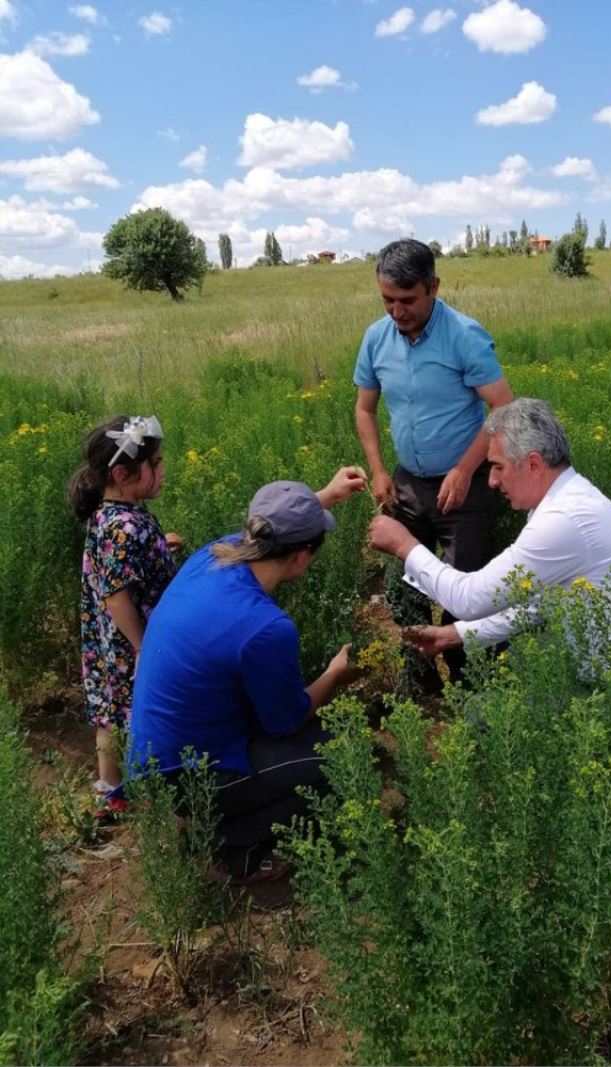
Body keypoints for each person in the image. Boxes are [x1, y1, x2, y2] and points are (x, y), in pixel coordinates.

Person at [127, 469, 366, 884]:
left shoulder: (212, 556)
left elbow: (275, 527)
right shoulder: (266, 628)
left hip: (152, 760)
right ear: (301, 557)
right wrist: (333, 674)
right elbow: (286, 721)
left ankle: (213, 818)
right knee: (338, 751)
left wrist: (325, 496)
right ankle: (230, 849)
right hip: (191, 777)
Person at [369, 398, 611, 657]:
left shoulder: (561, 519)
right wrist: (455, 635)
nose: (492, 481)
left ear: (533, 465)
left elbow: (467, 598)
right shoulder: (570, 497)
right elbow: (542, 602)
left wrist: (404, 544)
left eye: (498, 467)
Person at [354, 238, 513, 684]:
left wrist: (463, 470)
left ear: (434, 287)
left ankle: (469, 684)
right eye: (387, 300)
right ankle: (421, 682)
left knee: (465, 592)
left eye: (408, 300)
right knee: (406, 587)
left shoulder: (463, 336)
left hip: (465, 484)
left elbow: (503, 407)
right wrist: (379, 471)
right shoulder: (376, 339)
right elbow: (365, 409)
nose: (397, 311)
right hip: (407, 483)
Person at [68, 415, 181, 815]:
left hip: (105, 641)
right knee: (138, 714)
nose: (163, 471)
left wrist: (157, 546)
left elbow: (116, 564)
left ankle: (110, 793)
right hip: (129, 642)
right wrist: (142, 646)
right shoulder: (126, 528)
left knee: (109, 712)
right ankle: (148, 794)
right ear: (122, 474)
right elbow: (117, 597)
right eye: (155, 464)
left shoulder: (109, 515)